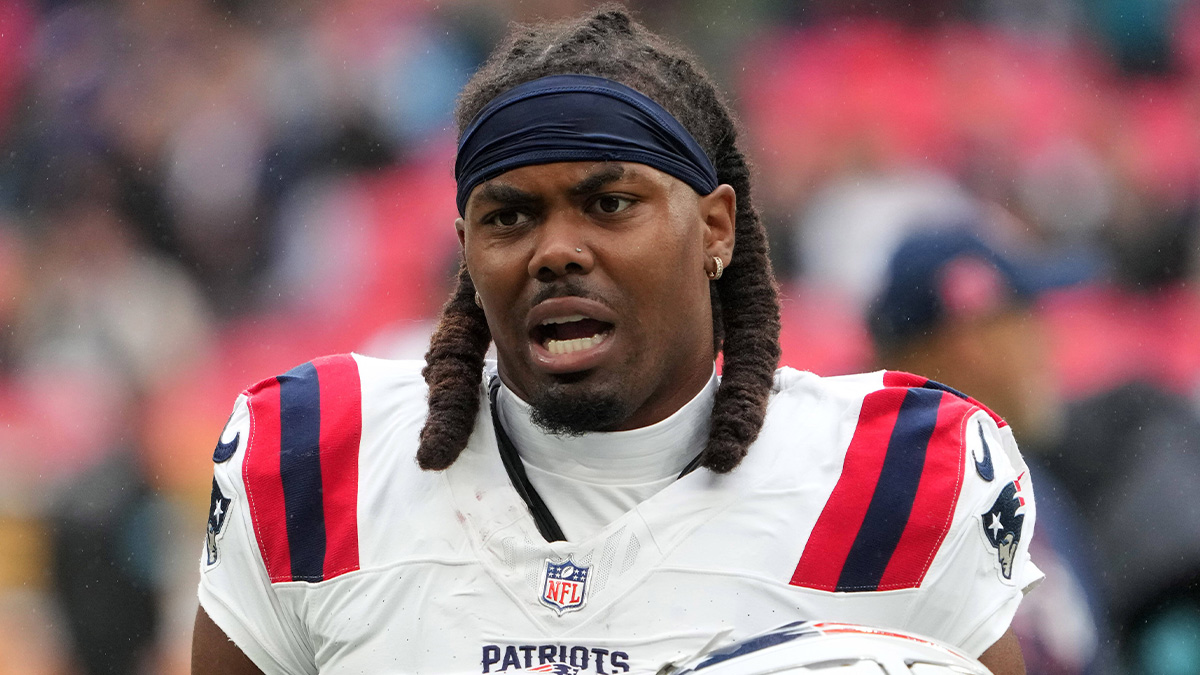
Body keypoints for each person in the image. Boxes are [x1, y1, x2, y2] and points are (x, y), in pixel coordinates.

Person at [191, 7, 1040, 674]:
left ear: (715, 228)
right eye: (509, 215)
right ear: (467, 249)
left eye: (609, 203)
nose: (555, 249)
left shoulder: (887, 486)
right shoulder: (316, 460)